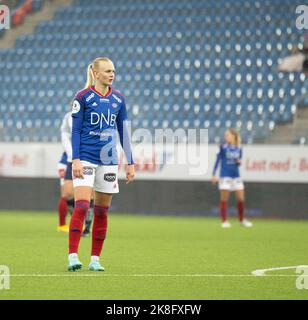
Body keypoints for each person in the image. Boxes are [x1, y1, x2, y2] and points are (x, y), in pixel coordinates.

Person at [68, 57, 135, 272]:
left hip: (108, 161)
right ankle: (73, 256)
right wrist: (75, 159)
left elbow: (124, 132)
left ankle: (95, 259)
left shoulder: (119, 99)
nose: (112, 74)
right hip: (85, 157)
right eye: (107, 71)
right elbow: (75, 130)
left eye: (113, 70)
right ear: (96, 73)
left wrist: (130, 162)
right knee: (81, 205)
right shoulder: (82, 97)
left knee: (102, 211)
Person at [60, 110, 94, 236]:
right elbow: (65, 135)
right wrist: (71, 153)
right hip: (72, 159)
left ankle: (87, 227)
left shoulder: (92, 115)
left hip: (88, 157)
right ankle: (78, 222)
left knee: (89, 195)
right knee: (68, 194)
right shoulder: (68, 116)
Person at [211, 128, 252, 228]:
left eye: (228, 135)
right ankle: (224, 221)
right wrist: (213, 174)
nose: (226, 137)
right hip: (225, 175)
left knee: (241, 198)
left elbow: (239, 160)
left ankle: (241, 220)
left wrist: (239, 163)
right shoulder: (223, 147)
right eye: (225, 135)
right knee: (224, 199)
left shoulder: (239, 147)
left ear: (233, 136)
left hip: (236, 176)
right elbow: (218, 160)